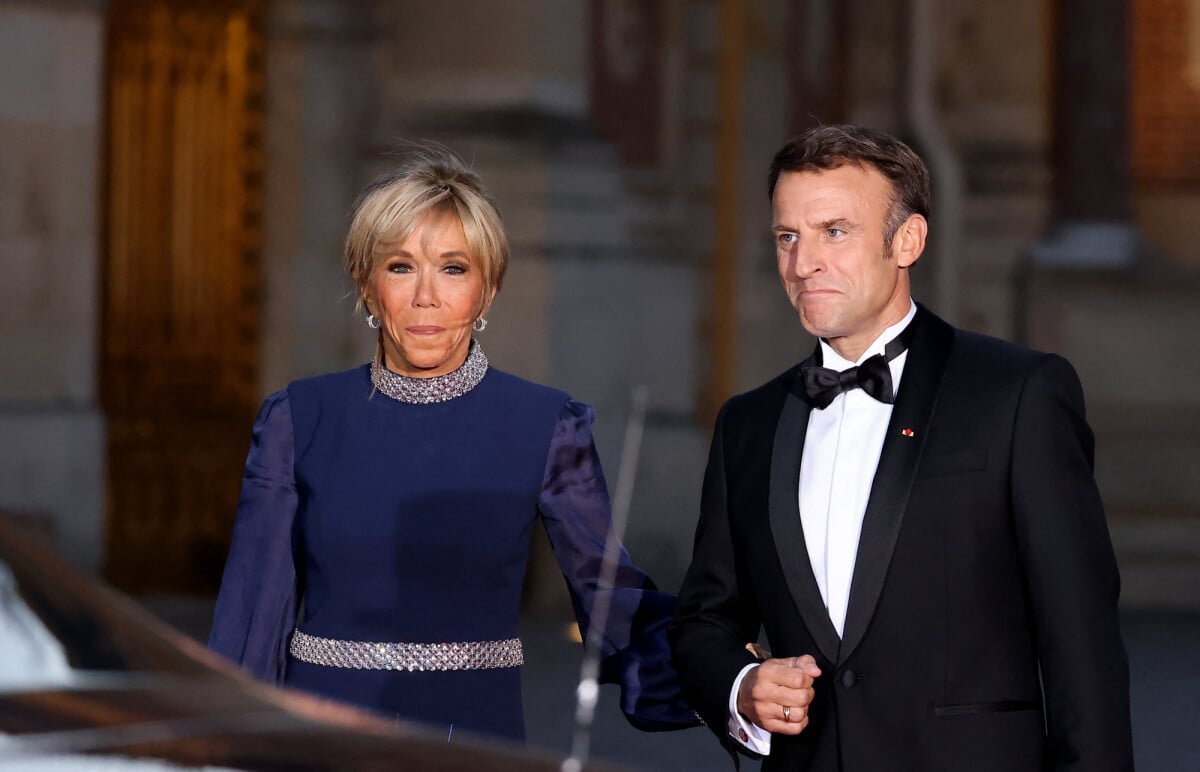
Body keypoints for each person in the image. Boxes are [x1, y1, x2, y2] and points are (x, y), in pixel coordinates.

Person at [669, 125, 1134, 771]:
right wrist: (742, 687)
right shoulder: (748, 423)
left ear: (907, 241)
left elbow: (1081, 640)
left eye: (835, 231)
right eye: (787, 236)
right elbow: (705, 622)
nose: (804, 263)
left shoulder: (1018, 393)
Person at [209, 145, 696, 743]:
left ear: (488, 291)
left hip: (474, 736)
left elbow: (610, 593)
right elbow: (254, 616)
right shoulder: (298, 418)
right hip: (325, 742)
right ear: (367, 285)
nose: (426, 298)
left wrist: (721, 668)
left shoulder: (545, 424)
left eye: (454, 268)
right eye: (400, 266)